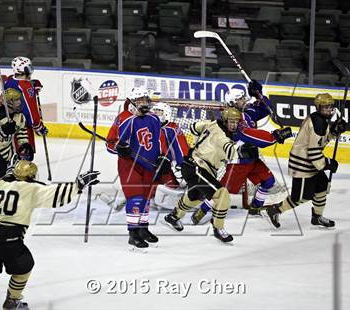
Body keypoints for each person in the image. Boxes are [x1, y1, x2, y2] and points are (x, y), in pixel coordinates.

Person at [0, 160, 100, 310]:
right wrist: (79, 184)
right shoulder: (33, 188)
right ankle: (12, 302)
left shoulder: (0, 182)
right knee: (24, 267)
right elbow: (57, 194)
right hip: (9, 238)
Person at [191, 82, 293, 223]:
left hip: (252, 160)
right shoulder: (233, 122)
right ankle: (202, 211)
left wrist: (258, 94)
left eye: (244, 97)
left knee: (268, 181)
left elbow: (265, 108)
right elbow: (253, 136)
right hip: (238, 163)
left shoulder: (246, 113)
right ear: (233, 103)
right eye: (241, 99)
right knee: (223, 192)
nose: (244, 100)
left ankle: (255, 207)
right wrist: (274, 137)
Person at [163, 107, 253, 243]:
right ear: (225, 120)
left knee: (196, 196)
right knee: (222, 195)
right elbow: (230, 150)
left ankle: (174, 216)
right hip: (199, 167)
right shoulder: (222, 136)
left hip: (191, 164)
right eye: (231, 122)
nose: (234, 125)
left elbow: (194, 127)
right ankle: (218, 228)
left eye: (236, 122)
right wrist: (242, 151)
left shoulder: (212, 123)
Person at [267, 93, 347, 228]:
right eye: (325, 107)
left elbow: (320, 142)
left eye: (330, 106)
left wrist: (334, 132)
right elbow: (313, 151)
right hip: (302, 164)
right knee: (301, 197)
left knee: (321, 187)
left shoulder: (320, 119)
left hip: (311, 162)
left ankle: (317, 217)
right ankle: (275, 210)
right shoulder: (318, 122)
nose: (328, 109)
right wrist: (327, 163)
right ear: (319, 107)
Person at [106, 87, 170, 249]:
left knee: (146, 198)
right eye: (140, 100)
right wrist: (119, 148)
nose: (144, 103)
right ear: (132, 102)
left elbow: (159, 140)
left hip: (149, 164)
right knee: (136, 198)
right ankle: (133, 233)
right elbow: (110, 143)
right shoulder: (124, 119)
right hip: (130, 165)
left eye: (145, 99)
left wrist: (163, 157)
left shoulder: (154, 118)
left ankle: (143, 228)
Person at [0, 88, 34, 181]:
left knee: (11, 179)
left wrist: (24, 144)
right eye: (16, 100)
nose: (19, 102)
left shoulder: (19, 115)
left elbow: (21, 131)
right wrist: (3, 131)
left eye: (19, 99)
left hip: (6, 148)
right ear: (9, 102)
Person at [149, 102, 190, 208]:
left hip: (168, 166)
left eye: (159, 112)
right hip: (151, 164)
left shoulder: (172, 128)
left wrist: (183, 164)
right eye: (155, 112)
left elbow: (181, 148)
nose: (156, 114)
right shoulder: (149, 127)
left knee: (172, 185)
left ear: (166, 114)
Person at [4, 56, 48, 153]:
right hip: (23, 129)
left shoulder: (9, 81)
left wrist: (33, 85)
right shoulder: (25, 86)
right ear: (23, 70)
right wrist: (38, 126)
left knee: (14, 155)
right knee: (24, 160)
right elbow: (31, 110)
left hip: (10, 125)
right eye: (29, 68)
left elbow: (18, 85)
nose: (30, 71)